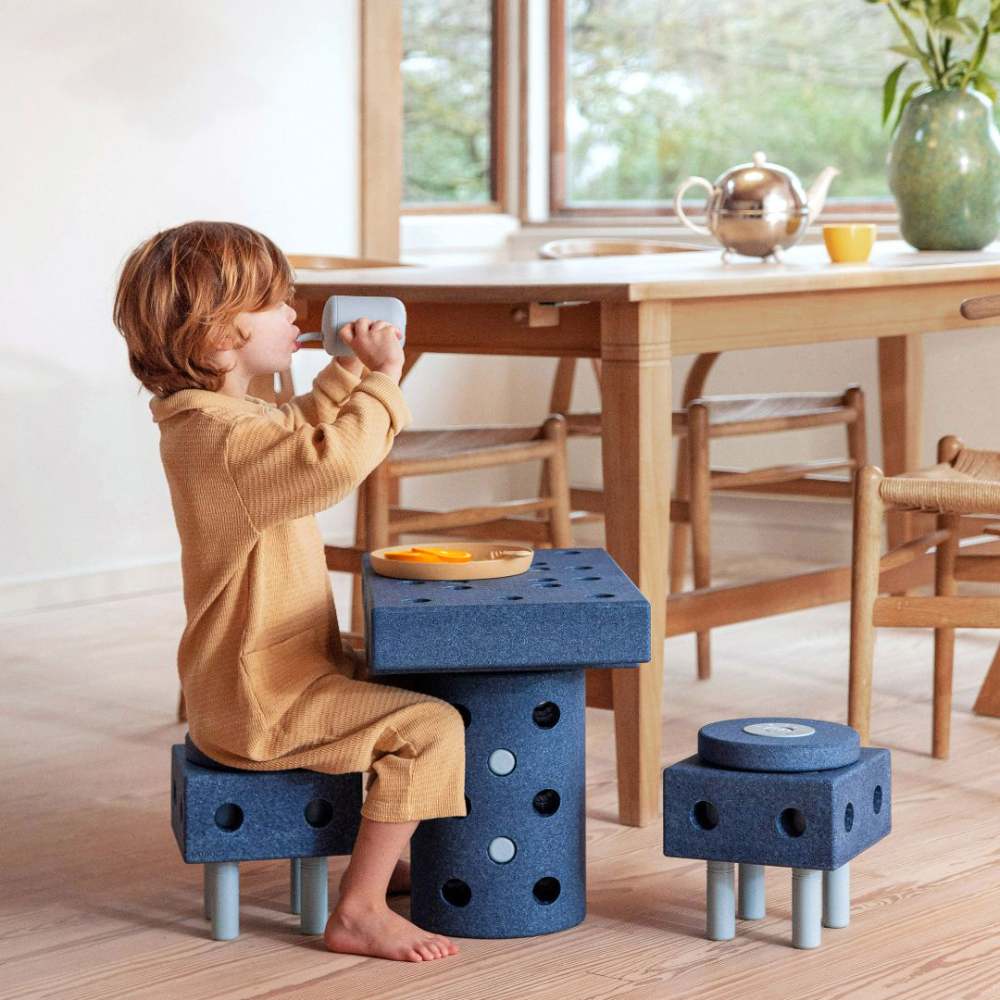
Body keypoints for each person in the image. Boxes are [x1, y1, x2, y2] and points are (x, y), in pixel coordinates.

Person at [114, 221, 465, 962]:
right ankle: (359, 909)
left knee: (402, 688)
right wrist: (383, 382)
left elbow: (295, 427)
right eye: (275, 304)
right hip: (263, 702)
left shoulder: (212, 423)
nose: (295, 315)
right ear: (218, 338)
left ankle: (381, 853)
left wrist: (341, 375)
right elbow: (332, 461)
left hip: (255, 684)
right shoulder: (224, 441)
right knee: (432, 728)